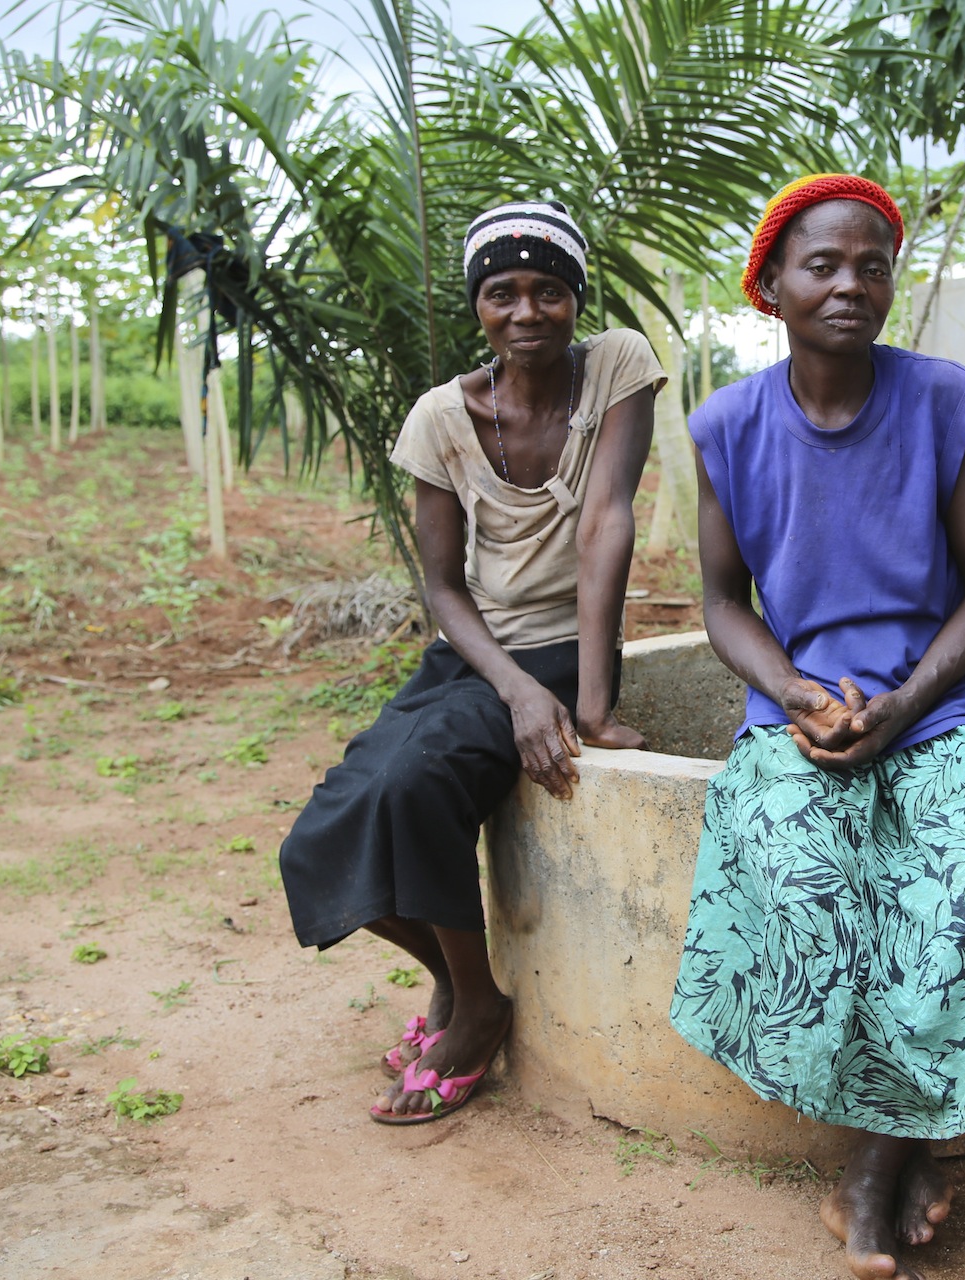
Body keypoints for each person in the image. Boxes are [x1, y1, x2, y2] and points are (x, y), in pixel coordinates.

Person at [669, 175, 965, 1280]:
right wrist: (792, 693)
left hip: (941, 705)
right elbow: (724, 602)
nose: (851, 283)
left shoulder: (942, 402)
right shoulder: (729, 426)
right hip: (807, 711)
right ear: (771, 287)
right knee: (796, 869)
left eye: (873, 264)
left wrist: (910, 703)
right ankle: (910, 1144)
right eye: (822, 265)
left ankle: (872, 1171)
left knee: (963, 878)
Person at [278, 200, 663, 1125]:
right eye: (502, 293)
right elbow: (443, 586)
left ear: (577, 297)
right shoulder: (440, 419)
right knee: (318, 841)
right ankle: (460, 984)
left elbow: (608, 521)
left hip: (570, 647)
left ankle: (476, 1008)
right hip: (482, 655)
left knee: (413, 787)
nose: (527, 311)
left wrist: (591, 704)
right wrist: (518, 689)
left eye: (548, 291)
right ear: (477, 306)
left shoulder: (617, 366)